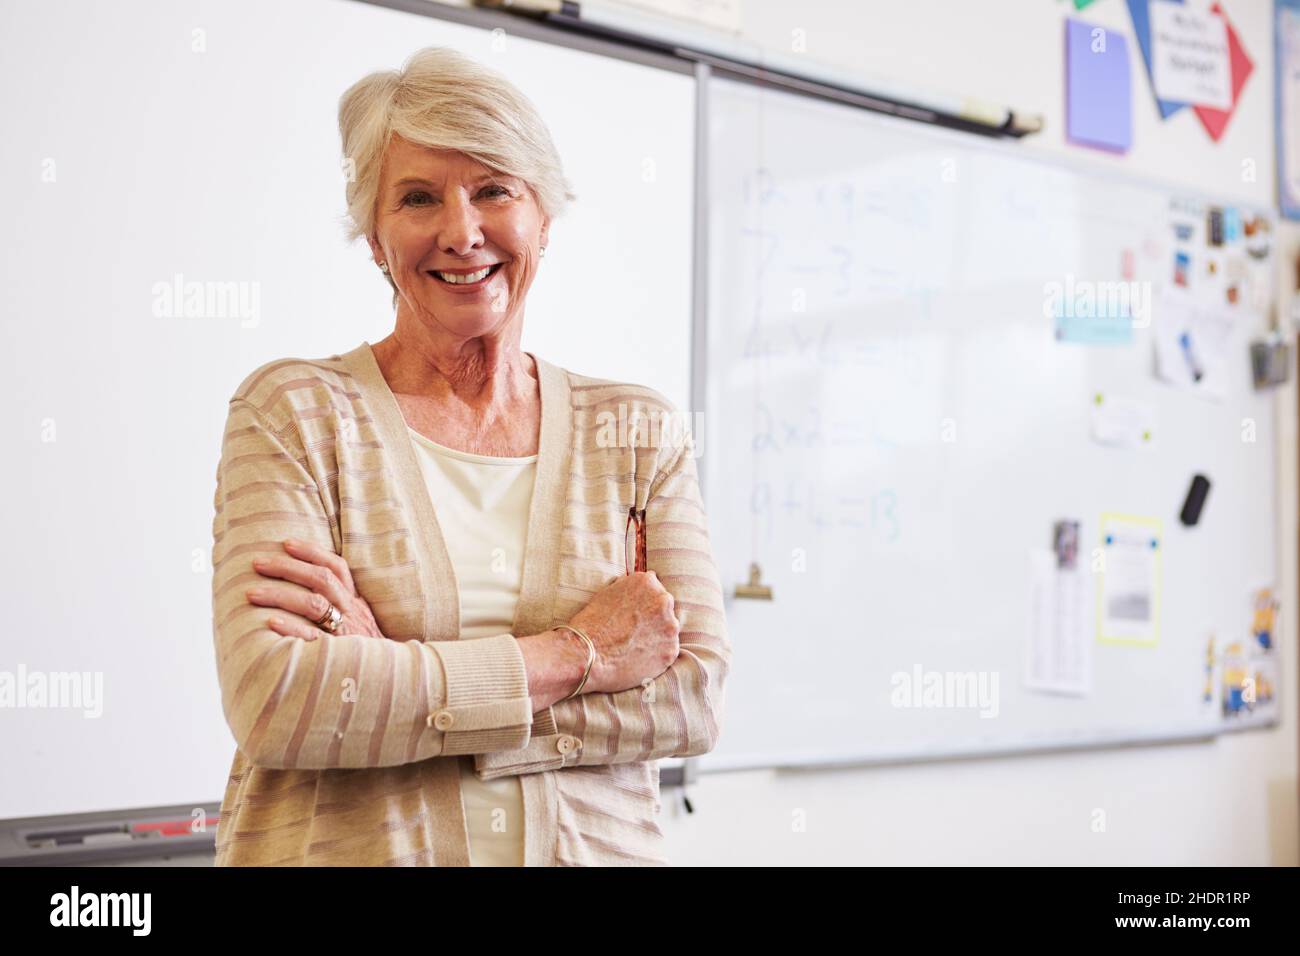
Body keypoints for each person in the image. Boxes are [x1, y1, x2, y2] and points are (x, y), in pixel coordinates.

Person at [209, 47, 730, 866]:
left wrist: (393, 675)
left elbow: (690, 701)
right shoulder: (296, 413)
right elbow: (279, 701)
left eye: (494, 190)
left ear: (543, 219)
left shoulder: (634, 432)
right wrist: (581, 656)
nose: (462, 231)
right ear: (376, 240)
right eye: (418, 198)